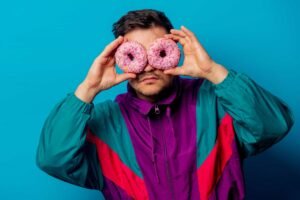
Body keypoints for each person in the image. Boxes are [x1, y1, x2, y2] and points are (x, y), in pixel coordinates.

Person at [36, 9, 294, 200]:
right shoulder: (104, 124)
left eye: (157, 53)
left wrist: (214, 72)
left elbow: (274, 125)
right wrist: (88, 89)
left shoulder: (218, 103)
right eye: (135, 54)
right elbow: (53, 160)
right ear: (120, 59)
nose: (148, 65)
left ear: (174, 50)